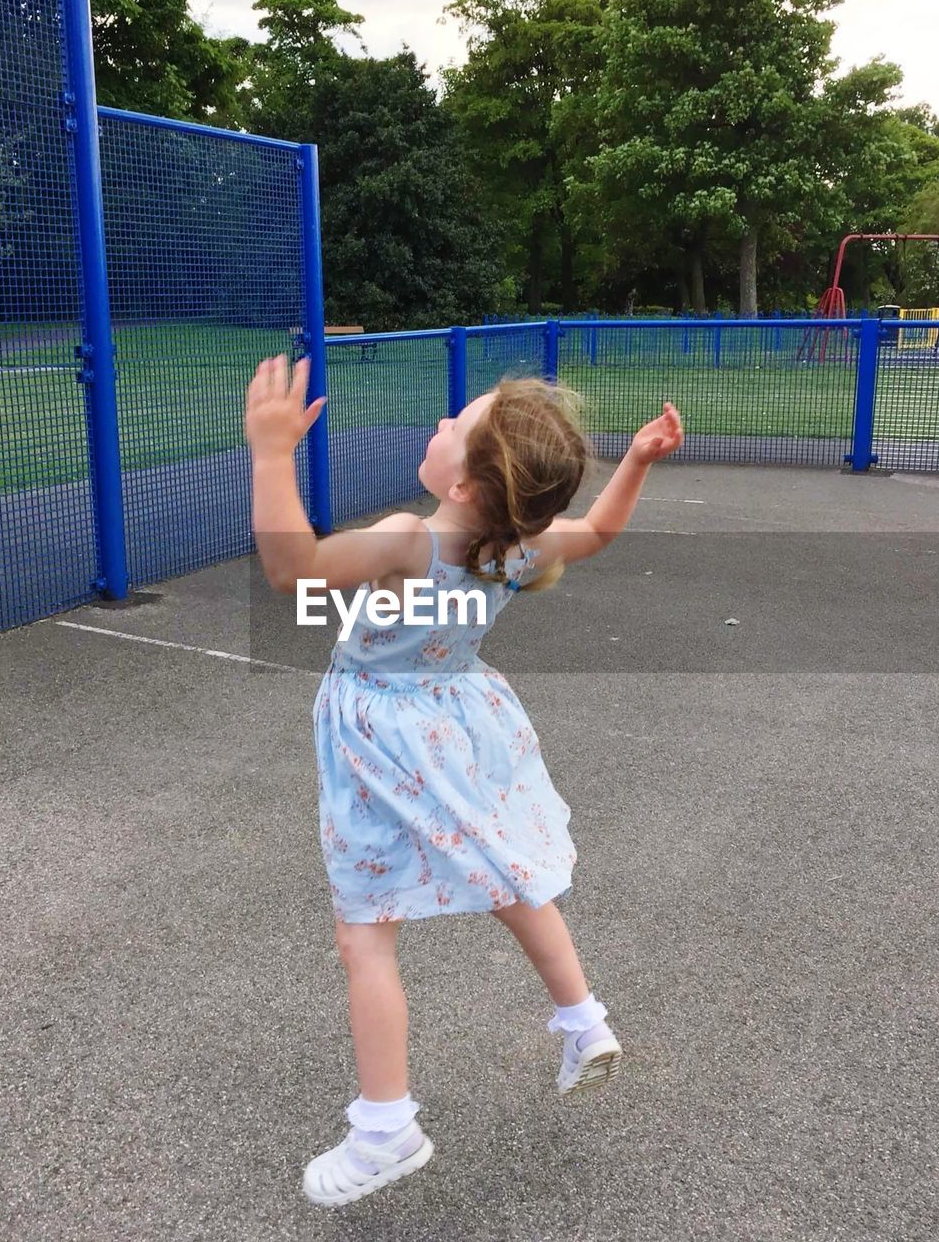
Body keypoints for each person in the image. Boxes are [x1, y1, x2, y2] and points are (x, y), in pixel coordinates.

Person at [245, 355, 684, 1207]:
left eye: (457, 424)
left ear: (468, 483)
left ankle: (385, 1128)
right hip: (458, 725)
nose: (440, 425)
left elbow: (291, 575)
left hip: (381, 734)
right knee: (503, 871)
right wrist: (635, 462)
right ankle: (582, 1018)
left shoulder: (412, 539)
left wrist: (270, 453)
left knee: (364, 933)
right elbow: (595, 532)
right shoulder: (517, 545)